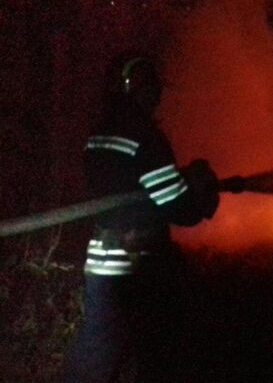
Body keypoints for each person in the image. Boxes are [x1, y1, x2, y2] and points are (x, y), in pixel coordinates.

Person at [63, 54, 219, 382]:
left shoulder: (100, 134)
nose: (157, 96)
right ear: (136, 89)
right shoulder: (145, 137)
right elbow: (176, 206)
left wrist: (180, 178)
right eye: (152, 88)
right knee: (153, 348)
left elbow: (133, 182)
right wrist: (202, 198)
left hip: (101, 255)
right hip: (140, 261)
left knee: (99, 342)